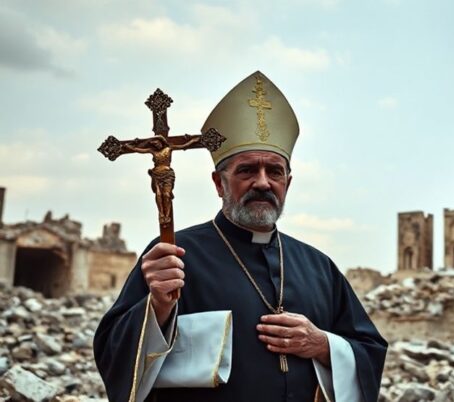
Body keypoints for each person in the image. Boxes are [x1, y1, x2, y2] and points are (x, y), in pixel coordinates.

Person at [94, 71, 388, 402]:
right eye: (247, 170)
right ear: (219, 183)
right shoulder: (174, 256)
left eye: (274, 171)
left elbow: (369, 350)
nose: (263, 182)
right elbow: (112, 353)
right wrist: (158, 307)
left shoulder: (319, 267)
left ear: (287, 184)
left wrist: (322, 345)